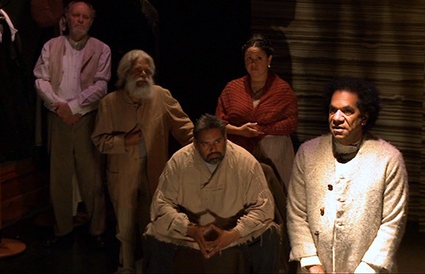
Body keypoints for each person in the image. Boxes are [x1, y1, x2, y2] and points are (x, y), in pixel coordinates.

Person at [287, 76, 409, 273]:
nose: (336, 118)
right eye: (332, 110)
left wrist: (366, 269)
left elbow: (393, 222)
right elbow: (296, 212)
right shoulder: (307, 153)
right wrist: (312, 263)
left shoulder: (388, 159)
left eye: (347, 111)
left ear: (364, 117)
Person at [91, 49, 194, 273]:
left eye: (148, 71)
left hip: (154, 172)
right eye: (138, 70)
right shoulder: (110, 103)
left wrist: (204, 144)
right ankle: (126, 267)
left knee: (154, 222)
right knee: (125, 228)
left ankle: (151, 267)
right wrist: (123, 141)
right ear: (126, 73)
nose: (144, 75)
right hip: (122, 174)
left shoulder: (161, 95)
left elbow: (184, 128)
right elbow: (99, 141)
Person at [143, 114, 280, 274]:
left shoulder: (245, 162)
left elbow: (263, 208)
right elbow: (161, 205)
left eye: (217, 142)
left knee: (270, 231)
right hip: (191, 229)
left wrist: (234, 233)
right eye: (205, 144)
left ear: (225, 138)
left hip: (233, 228)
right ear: (195, 144)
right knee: (154, 231)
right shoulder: (179, 162)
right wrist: (190, 229)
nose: (213, 149)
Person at [33, 1, 111, 247]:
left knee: (92, 176)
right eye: (76, 15)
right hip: (59, 118)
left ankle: (97, 229)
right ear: (66, 18)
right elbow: (41, 79)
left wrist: (74, 107)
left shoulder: (102, 48)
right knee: (60, 176)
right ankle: (62, 230)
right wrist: (60, 107)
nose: (80, 20)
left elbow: (101, 84)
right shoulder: (51, 46)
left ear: (91, 21)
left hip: (86, 118)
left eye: (85, 17)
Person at [215, 33, 298, 186]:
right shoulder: (232, 88)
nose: (253, 64)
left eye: (259, 58)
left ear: (269, 60)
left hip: (274, 149)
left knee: (274, 193)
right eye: (249, 59)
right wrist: (240, 130)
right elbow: (218, 122)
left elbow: (291, 123)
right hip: (239, 149)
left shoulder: (282, 89)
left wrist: (262, 129)